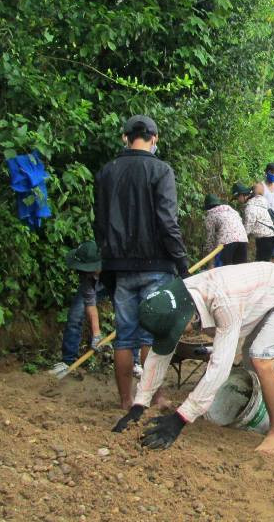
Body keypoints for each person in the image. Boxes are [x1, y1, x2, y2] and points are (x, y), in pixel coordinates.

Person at [111, 263, 274, 456]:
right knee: (249, 358)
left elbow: (220, 368)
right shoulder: (173, 299)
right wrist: (139, 405)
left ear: (188, 317)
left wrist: (180, 419)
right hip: (260, 292)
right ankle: (259, 409)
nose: (184, 334)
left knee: (260, 358)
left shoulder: (223, 303)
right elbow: (159, 354)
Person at [94, 114, 188, 410]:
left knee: (124, 336)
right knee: (152, 334)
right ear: (154, 138)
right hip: (156, 265)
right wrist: (181, 261)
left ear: (125, 137)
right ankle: (153, 397)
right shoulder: (161, 171)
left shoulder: (107, 172)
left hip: (119, 267)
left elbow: (99, 223)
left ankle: (125, 400)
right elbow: (167, 221)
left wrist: (107, 258)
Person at [49, 241, 111, 379]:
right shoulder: (86, 275)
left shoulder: (115, 266)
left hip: (118, 285)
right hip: (96, 284)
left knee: (127, 321)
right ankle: (68, 361)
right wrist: (96, 335)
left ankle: (134, 362)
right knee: (75, 315)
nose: (83, 272)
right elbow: (90, 303)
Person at [204, 194, 248, 266]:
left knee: (223, 270)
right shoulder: (232, 211)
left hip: (226, 243)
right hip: (243, 240)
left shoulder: (211, 215)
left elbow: (210, 239)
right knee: (241, 269)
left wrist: (210, 262)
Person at [244, 183, 274, 262]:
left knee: (261, 263)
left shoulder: (250, 207)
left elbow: (248, 226)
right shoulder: (263, 202)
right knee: (264, 261)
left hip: (265, 239)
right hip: (272, 235)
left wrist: (242, 237)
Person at [262, 163, 274, 259]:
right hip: (264, 221)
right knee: (266, 249)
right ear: (266, 172)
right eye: (272, 173)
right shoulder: (260, 187)